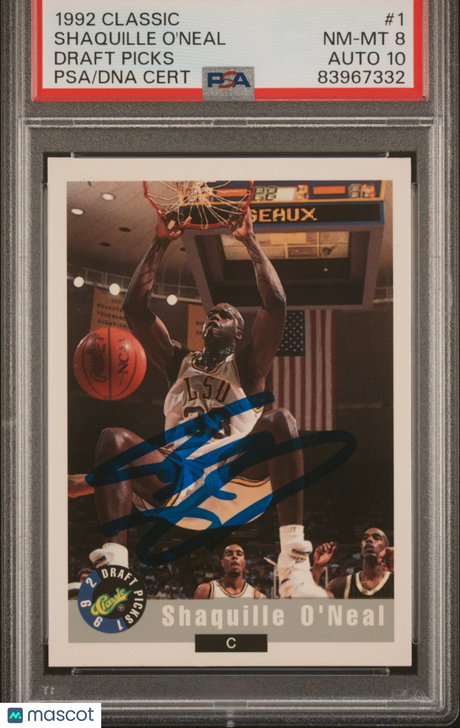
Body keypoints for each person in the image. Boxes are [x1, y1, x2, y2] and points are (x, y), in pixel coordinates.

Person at [69, 208, 327, 598]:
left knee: (280, 422)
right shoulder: (178, 361)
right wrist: (159, 243)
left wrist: (250, 240)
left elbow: (275, 303)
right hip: (178, 480)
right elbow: (135, 310)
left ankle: (293, 565)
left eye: (224, 315)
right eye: (211, 314)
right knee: (113, 440)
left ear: (238, 333)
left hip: (235, 477)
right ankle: (116, 572)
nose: (213, 316)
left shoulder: (248, 366)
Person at [313, 529, 394, 598]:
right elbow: (313, 603)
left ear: (386, 548)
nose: (369, 539)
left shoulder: (396, 581)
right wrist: (318, 566)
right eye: (365, 538)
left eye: (376, 538)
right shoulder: (342, 584)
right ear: (361, 550)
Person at [194, 543, 266, 599]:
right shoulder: (205, 591)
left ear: (244, 563)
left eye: (239, 554)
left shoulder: (257, 597)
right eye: (229, 554)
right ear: (222, 563)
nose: (234, 557)